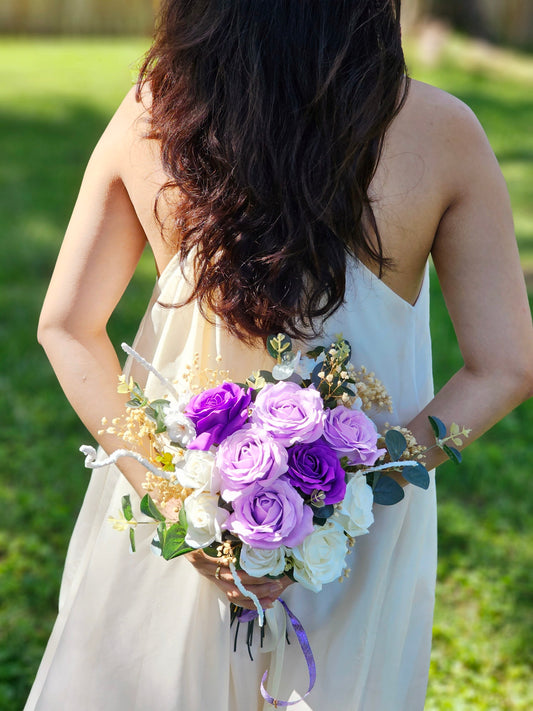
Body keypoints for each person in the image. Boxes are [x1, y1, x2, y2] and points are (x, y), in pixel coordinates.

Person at [27, 1, 533, 710]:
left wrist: (175, 499)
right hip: (359, 543)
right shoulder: (443, 132)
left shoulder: (156, 115)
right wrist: (353, 491)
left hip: (181, 515)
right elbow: (504, 366)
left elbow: (67, 326)